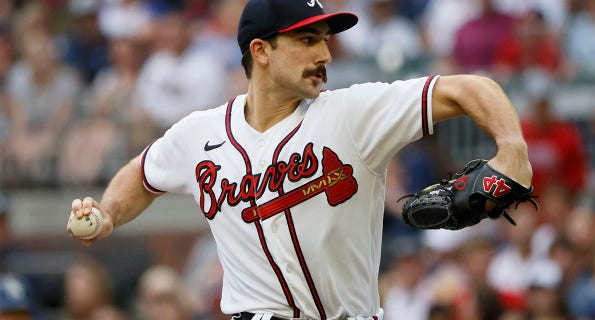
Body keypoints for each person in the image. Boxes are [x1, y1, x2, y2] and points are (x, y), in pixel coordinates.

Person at [66, 0, 533, 319]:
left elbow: (470, 87)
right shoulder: (199, 134)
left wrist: (512, 151)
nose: (326, 53)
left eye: (325, 39)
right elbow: (142, 175)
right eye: (308, 40)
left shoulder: (352, 113)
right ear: (261, 50)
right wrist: (108, 213)